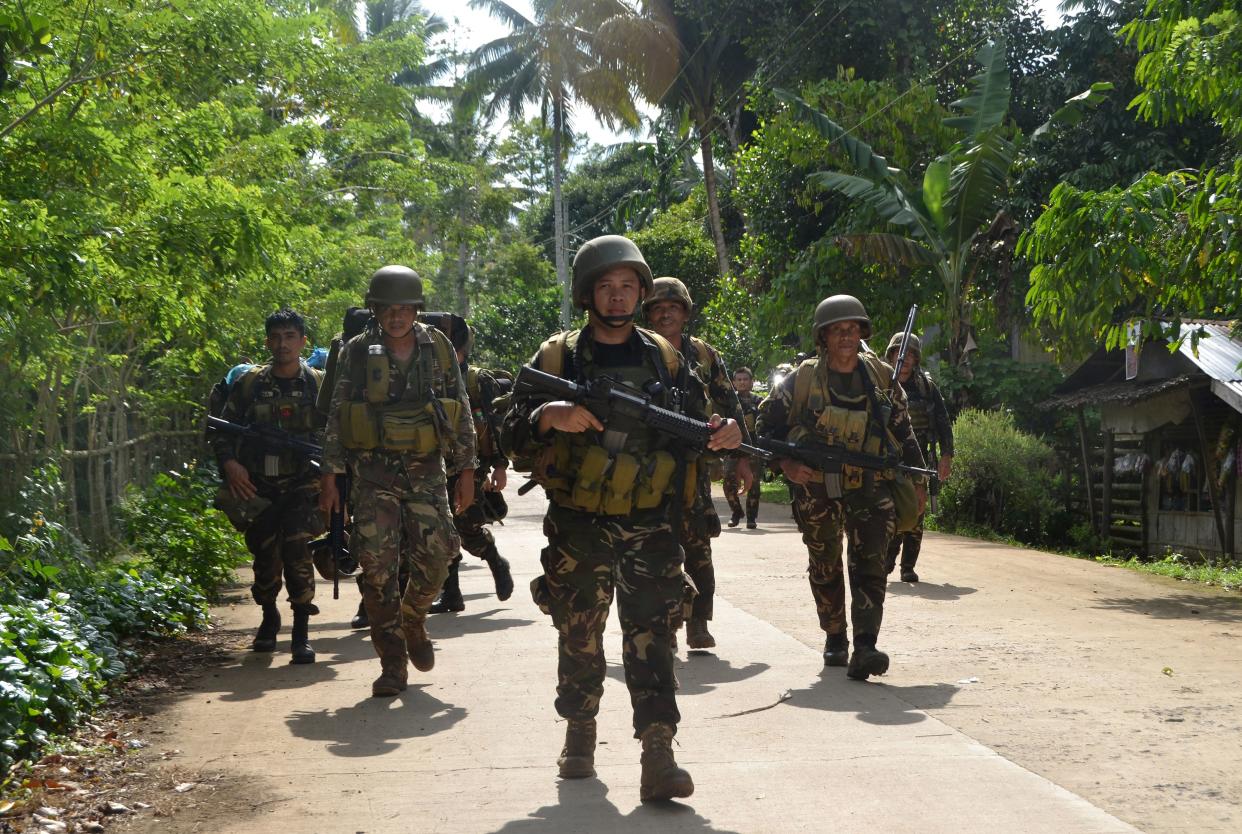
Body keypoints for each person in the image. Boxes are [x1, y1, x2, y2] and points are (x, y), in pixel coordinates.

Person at [501, 235, 742, 800]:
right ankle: (580, 730)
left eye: (627, 286)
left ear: (641, 291)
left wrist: (725, 435)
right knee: (578, 631)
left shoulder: (666, 357)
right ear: (589, 294)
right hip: (579, 523)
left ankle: (657, 750)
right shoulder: (557, 358)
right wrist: (547, 416)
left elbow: (697, 427)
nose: (617, 297)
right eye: (606, 287)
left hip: (650, 522)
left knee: (654, 634)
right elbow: (506, 436)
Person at [318, 266, 477, 698]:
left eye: (405, 308)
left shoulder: (437, 347)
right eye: (388, 309)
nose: (396, 317)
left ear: (416, 310)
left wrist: (467, 470)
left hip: (426, 473)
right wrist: (331, 475)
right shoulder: (356, 351)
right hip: (371, 476)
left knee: (441, 552)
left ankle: (414, 618)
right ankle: (392, 663)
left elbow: (458, 407)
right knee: (376, 569)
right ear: (375, 310)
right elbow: (337, 413)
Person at [756, 295, 925, 680]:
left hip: (869, 485)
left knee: (872, 565)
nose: (846, 336)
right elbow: (764, 430)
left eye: (852, 329)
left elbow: (904, 431)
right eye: (838, 330)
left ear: (861, 333)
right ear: (824, 337)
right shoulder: (802, 379)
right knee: (825, 561)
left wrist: (918, 481)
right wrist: (787, 464)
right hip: (817, 486)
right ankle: (835, 635)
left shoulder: (881, 376)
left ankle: (865, 645)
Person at [209, 309, 324, 665]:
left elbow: (340, 434)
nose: (282, 344)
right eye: (275, 337)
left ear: (303, 342)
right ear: (266, 342)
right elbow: (221, 430)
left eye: (290, 336)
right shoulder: (249, 384)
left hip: (305, 483)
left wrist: (337, 483)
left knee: (297, 548)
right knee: (264, 556)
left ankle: (301, 631)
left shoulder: (319, 384)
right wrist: (230, 464)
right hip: (259, 486)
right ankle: (269, 613)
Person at [642, 276, 751, 651]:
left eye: (673, 306)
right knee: (655, 549)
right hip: (645, 469)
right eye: (657, 307)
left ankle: (699, 622)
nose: (665, 312)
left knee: (699, 549)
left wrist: (741, 461)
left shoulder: (704, 355)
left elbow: (731, 409)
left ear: (686, 313)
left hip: (693, 470)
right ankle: (665, 627)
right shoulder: (636, 350)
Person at [427, 316, 514, 613]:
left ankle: (494, 559)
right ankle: (452, 594)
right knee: (440, 527)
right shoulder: (423, 377)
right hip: (433, 465)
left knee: (466, 528)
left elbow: (496, 423)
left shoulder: (478, 380)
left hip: (471, 465)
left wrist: (500, 466)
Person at [884, 333, 953, 583]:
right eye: (900, 353)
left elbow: (944, 423)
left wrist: (947, 455)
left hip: (919, 459)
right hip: (888, 458)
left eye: (911, 354)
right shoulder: (882, 382)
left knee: (916, 513)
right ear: (891, 355)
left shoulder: (926, 387)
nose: (905, 359)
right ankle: (886, 561)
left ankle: (907, 566)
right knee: (889, 512)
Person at [723, 366, 762, 530]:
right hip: (732, 448)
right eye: (739, 379)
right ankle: (736, 512)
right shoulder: (728, 402)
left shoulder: (759, 402)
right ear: (733, 382)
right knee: (728, 482)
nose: (742, 382)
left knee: (753, 483)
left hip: (753, 448)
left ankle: (751, 518)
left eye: (745, 379)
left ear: (751, 382)